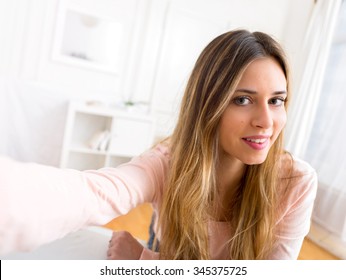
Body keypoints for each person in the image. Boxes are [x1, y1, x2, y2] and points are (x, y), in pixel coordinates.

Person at [0, 29, 317, 260]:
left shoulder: (296, 183)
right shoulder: (166, 162)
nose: (266, 120)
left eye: (277, 100)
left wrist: (146, 260)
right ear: (209, 104)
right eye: (243, 99)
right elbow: (94, 192)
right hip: (170, 237)